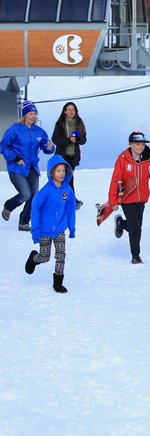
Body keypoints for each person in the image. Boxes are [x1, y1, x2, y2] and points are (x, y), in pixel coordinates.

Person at [105, 131, 150, 264]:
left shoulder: (148, 161)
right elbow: (115, 180)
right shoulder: (122, 160)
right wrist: (113, 200)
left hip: (141, 200)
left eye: (142, 144)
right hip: (126, 199)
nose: (140, 147)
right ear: (130, 144)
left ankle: (121, 223)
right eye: (137, 144)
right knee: (135, 228)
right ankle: (135, 256)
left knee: (136, 227)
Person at [23, 154, 75, 293]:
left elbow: (70, 209)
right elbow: (35, 208)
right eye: (58, 171)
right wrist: (35, 230)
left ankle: (58, 283)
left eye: (63, 170)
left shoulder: (67, 191)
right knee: (45, 257)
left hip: (59, 229)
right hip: (44, 230)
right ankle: (34, 258)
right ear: (51, 172)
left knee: (61, 256)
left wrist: (72, 227)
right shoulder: (46, 191)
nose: (62, 173)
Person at [2, 101, 56, 231]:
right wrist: (15, 157)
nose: (33, 116)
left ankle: (24, 223)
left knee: (34, 197)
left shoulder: (39, 131)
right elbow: (3, 146)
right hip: (17, 167)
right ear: (25, 115)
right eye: (30, 113)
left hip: (32, 168)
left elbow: (47, 147)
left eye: (35, 114)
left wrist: (50, 147)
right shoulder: (15, 129)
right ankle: (8, 206)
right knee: (26, 194)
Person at [51, 101, 87, 207]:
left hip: (73, 157)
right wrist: (68, 140)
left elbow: (84, 139)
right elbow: (55, 139)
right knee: (68, 178)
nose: (71, 111)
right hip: (62, 156)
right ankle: (70, 201)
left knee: (67, 179)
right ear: (65, 112)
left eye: (73, 109)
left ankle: (65, 200)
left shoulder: (79, 123)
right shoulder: (60, 123)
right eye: (69, 109)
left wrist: (78, 139)